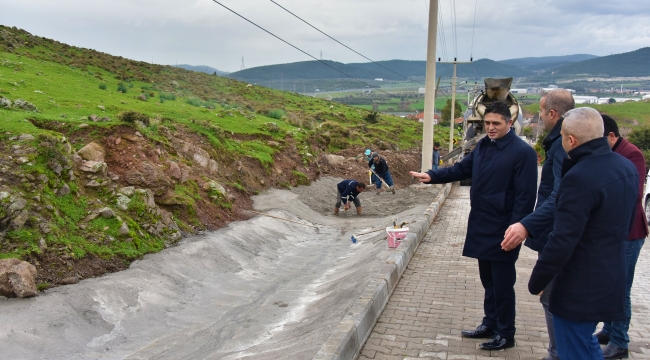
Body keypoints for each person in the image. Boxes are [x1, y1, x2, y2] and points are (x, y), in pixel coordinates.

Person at [410, 101, 538, 350]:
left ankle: (506, 332)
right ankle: (490, 323)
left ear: (509, 123)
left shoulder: (523, 153)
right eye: (487, 123)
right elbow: (460, 169)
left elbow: (525, 198)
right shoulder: (483, 146)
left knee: (502, 284)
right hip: (482, 224)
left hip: (505, 229)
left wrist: (519, 228)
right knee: (488, 280)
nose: (490, 127)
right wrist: (432, 175)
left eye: (496, 123)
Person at [528, 108, 638, 360]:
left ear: (571, 140)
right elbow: (627, 223)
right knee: (586, 345)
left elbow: (563, 238)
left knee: (574, 350)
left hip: (579, 287)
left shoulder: (578, 177)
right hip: (610, 277)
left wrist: (538, 280)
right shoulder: (625, 167)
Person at [501, 88, 575, 360]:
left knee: (552, 298)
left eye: (542, 112)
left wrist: (526, 225)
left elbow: (559, 195)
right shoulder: (560, 144)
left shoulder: (561, 147)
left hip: (555, 234)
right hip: (556, 233)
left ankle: (558, 354)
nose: (541, 117)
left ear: (553, 114)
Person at [594, 114, 648, 359]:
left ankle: (620, 342)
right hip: (612, 232)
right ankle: (608, 329)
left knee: (620, 288)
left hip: (629, 232)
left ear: (612, 136)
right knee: (608, 283)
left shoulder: (632, 154)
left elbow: (634, 195)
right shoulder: (608, 154)